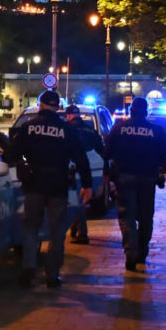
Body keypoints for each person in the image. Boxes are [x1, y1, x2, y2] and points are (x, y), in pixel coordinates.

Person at [10, 89, 93, 289]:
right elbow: (81, 159)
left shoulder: (28, 127)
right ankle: (52, 275)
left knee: (30, 226)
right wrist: (88, 185)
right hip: (57, 184)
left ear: (40, 105)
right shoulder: (67, 130)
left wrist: (21, 166)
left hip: (34, 183)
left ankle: (29, 265)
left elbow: (11, 153)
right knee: (57, 231)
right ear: (58, 108)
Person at [106, 96, 166, 272]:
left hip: (124, 178)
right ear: (146, 111)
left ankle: (130, 253)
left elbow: (107, 151)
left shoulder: (119, 128)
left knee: (126, 216)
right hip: (147, 179)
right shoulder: (156, 130)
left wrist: (110, 174)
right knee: (145, 217)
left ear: (131, 110)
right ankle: (142, 252)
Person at [64, 104, 104, 244]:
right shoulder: (91, 130)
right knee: (78, 200)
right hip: (94, 170)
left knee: (77, 201)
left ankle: (82, 234)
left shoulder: (68, 129)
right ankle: (75, 228)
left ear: (68, 115)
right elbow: (101, 150)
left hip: (74, 169)